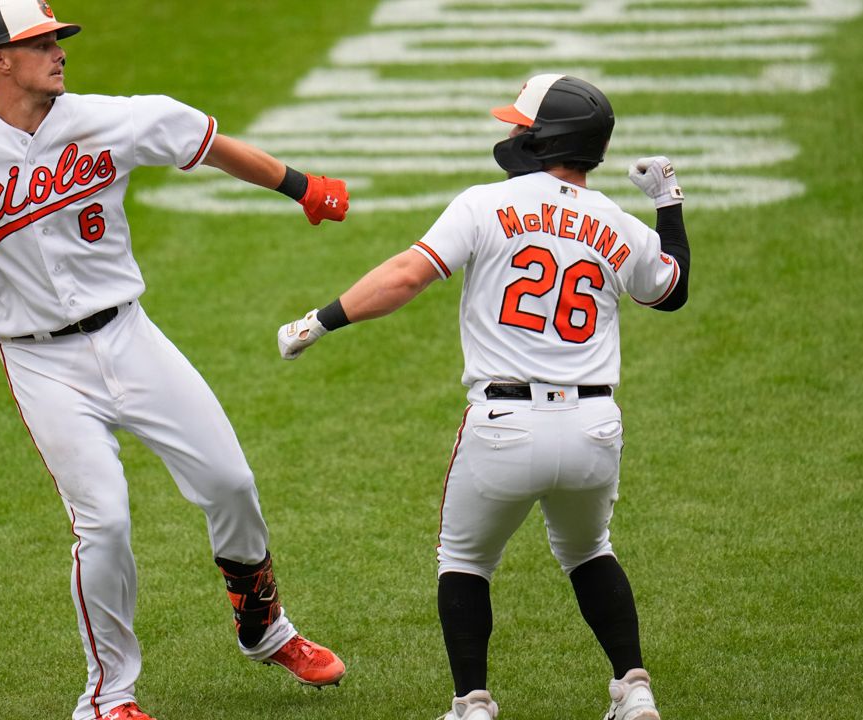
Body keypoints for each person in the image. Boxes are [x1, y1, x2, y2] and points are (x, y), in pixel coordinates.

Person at [0, 2, 350, 719]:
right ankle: (108, 698)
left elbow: (206, 140)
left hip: (131, 337)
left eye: (56, 39)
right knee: (102, 523)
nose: (58, 50)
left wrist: (301, 186)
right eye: (39, 43)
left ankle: (265, 629)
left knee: (230, 480)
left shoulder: (112, 118)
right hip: (43, 364)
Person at [275, 74, 690, 720]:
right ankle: (633, 689)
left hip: (504, 425)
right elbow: (672, 287)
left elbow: (409, 275)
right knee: (589, 550)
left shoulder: (484, 205)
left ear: (543, 137)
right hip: (594, 430)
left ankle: (472, 703)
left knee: (465, 557)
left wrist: (323, 319)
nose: (512, 133)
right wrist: (667, 201)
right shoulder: (619, 223)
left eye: (521, 125)